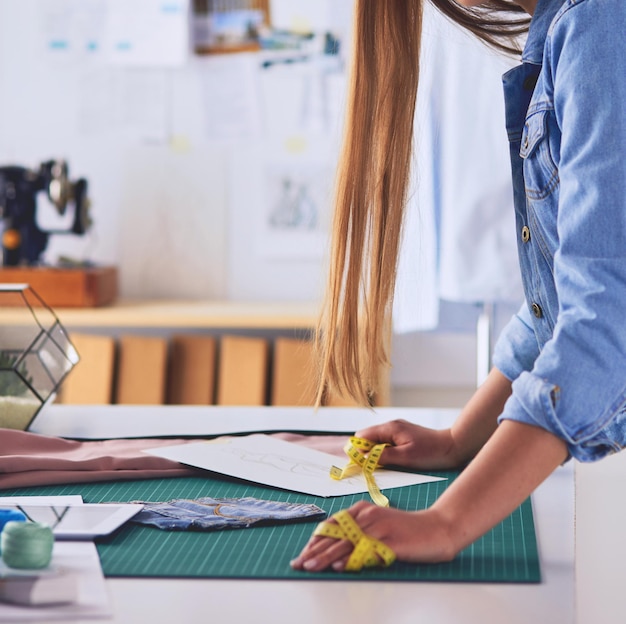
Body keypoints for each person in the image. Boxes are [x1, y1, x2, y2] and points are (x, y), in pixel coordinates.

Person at [291, 0, 626, 572]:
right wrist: (457, 439)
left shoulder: (602, 25)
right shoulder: (564, 31)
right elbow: (557, 302)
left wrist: (448, 522)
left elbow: (605, 322)